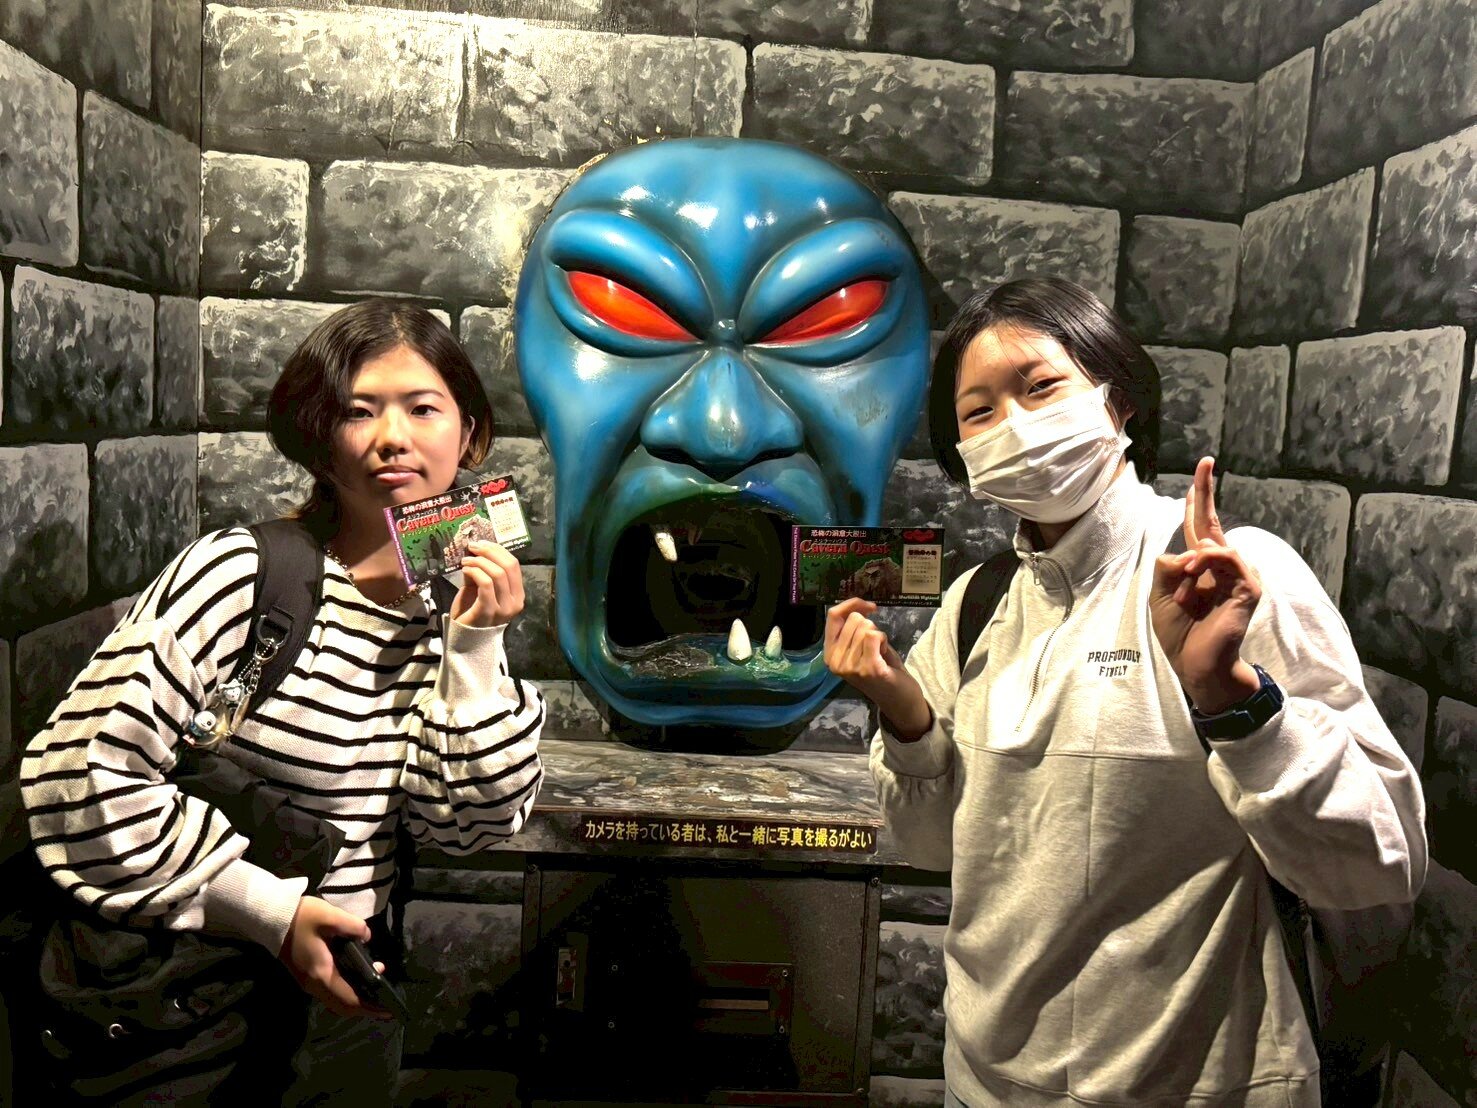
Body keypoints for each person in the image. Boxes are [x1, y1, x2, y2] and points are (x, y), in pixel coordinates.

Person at [824, 278, 1426, 1107]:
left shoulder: (1228, 579)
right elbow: (931, 846)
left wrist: (1232, 700)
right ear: (961, 454)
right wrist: (902, 710)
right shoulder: (976, 604)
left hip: (1197, 1086)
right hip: (987, 1080)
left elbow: (1376, 865)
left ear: (1119, 398)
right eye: (978, 411)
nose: (1014, 426)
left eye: (1041, 387)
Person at [21, 299, 546, 1103]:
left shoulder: (454, 611)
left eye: (422, 408)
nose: (392, 437)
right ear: (317, 434)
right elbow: (79, 774)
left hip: (349, 1002)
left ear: (468, 434)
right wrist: (272, 913)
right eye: (357, 412)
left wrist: (475, 649)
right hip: (192, 995)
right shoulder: (242, 575)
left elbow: (470, 827)